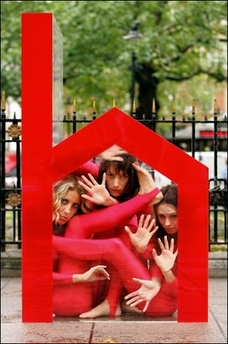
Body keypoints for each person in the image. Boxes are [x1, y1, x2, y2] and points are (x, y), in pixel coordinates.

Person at [52, 162, 162, 317]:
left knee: (122, 231)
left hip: (94, 293)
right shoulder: (45, 228)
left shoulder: (67, 225)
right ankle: (147, 196)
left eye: (75, 205)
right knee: (91, 232)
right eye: (64, 201)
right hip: (66, 301)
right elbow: (39, 276)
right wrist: (79, 277)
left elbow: (151, 244)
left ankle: (111, 302)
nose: (67, 210)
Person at [124, 183, 178, 317]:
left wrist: (167, 272)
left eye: (173, 216)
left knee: (115, 246)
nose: (167, 223)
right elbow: (154, 258)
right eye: (161, 216)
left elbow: (183, 294)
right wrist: (141, 248)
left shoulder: (193, 241)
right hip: (148, 291)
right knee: (125, 240)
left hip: (162, 304)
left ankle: (112, 305)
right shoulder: (162, 232)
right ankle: (115, 303)